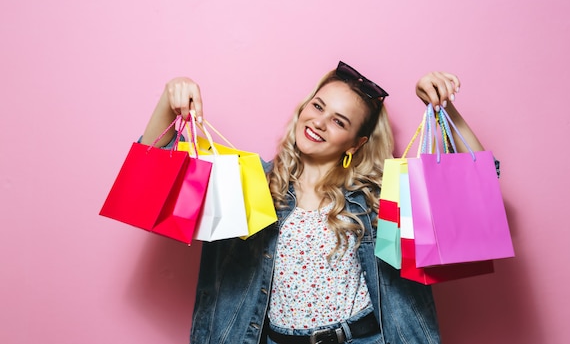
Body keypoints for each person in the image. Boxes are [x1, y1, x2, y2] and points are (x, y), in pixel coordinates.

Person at [140, 61, 487, 344]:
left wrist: (444, 108)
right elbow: (153, 182)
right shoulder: (251, 183)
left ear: (355, 143)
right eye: (318, 106)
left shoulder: (379, 194)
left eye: (339, 121)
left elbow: (473, 188)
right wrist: (170, 97)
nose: (319, 122)